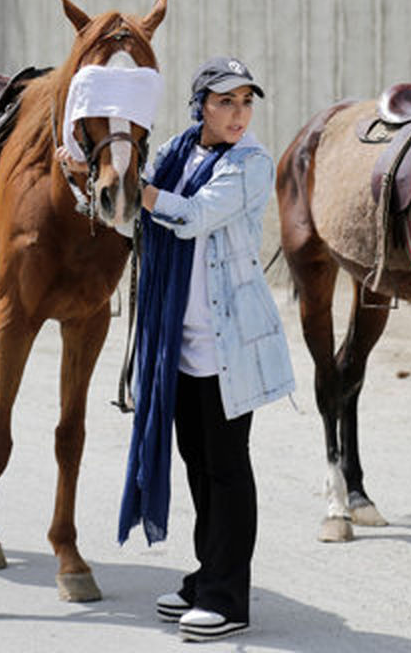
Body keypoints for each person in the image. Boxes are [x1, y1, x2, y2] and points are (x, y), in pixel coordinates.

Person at [116, 56, 295, 643]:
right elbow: (130, 215)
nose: (238, 114)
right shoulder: (175, 152)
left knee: (227, 468)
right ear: (201, 107)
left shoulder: (251, 162)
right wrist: (98, 175)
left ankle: (228, 597)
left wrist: (135, 190)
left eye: (246, 102)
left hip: (228, 345)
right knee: (197, 462)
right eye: (225, 101)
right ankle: (205, 575)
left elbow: (189, 217)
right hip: (180, 342)